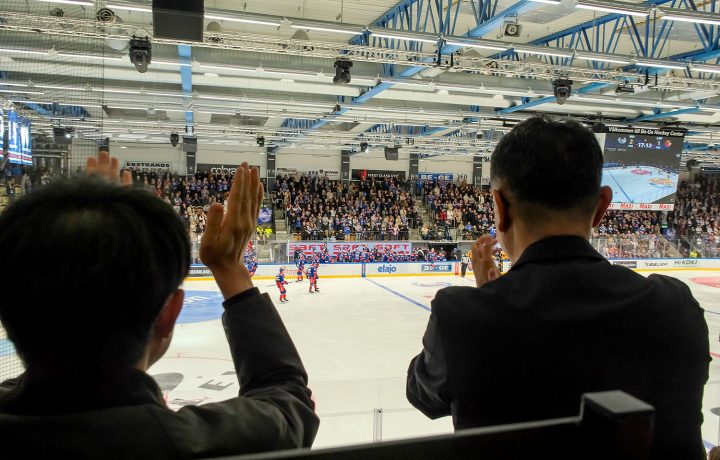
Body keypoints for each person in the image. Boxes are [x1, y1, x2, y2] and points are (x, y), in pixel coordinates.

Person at [406, 116, 709, 459]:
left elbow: (424, 396)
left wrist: (485, 297)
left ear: (500, 208)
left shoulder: (461, 314)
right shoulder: (674, 306)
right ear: (602, 207)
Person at [0, 153, 318, 457]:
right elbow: (287, 400)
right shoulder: (201, 444)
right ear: (168, 314)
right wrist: (230, 268)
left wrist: (72, 243)